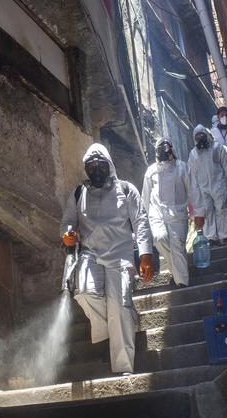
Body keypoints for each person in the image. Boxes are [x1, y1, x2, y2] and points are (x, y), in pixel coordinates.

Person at [60, 143, 153, 374]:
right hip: (90, 254)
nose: (96, 169)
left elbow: (140, 221)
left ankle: (123, 367)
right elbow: (68, 222)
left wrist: (145, 255)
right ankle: (118, 322)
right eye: (91, 166)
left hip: (120, 256)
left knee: (119, 306)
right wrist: (68, 235)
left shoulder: (126, 189)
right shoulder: (78, 193)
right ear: (87, 169)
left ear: (108, 165)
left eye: (100, 165)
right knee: (83, 292)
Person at [142, 137, 195, 288]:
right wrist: (143, 220)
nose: (165, 150)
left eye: (167, 147)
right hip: (156, 213)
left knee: (178, 246)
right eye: (161, 148)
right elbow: (145, 197)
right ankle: (178, 272)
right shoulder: (151, 171)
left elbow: (192, 190)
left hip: (178, 213)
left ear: (172, 149)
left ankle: (182, 282)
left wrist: (197, 212)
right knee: (159, 239)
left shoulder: (182, 167)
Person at [188, 124, 227, 246]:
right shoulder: (193, 154)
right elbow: (191, 174)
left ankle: (225, 236)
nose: (200, 138)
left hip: (218, 184)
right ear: (194, 139)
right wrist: (192, 191)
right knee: (207, 212)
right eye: (197, 136)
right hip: (202, 188)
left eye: (202, 135)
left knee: (222, 209)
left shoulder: (217, 148)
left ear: (206, 135)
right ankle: (211, 237)